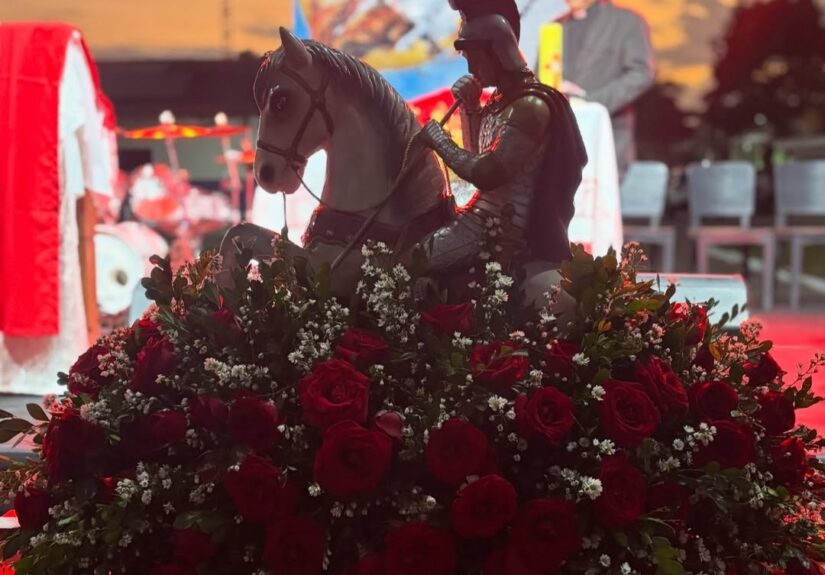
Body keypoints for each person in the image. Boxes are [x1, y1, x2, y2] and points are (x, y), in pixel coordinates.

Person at [416, 0, 587, 280]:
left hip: (498, 227)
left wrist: (439, 140)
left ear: (497, 53)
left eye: (474, 56)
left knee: (413, 262)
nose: (470, 66)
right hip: (478, 216)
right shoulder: (502, 102)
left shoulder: (529, 106)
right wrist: (470, 108)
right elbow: (477, 155)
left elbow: (487, 173)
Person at [558, 0, 654, 177]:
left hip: (607, 140)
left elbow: (641, 74)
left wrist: (588, 99)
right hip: (561, 145)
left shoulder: (626, 21)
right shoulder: (554, 27)